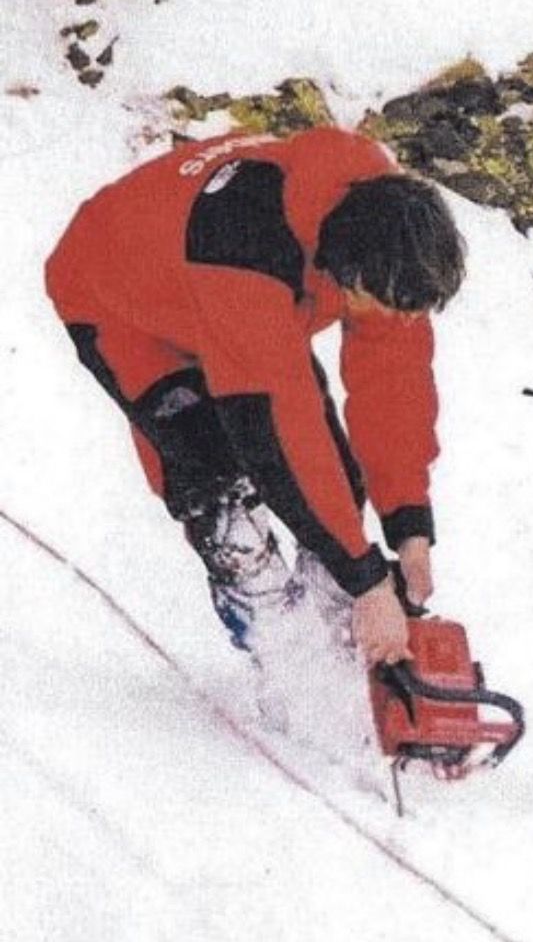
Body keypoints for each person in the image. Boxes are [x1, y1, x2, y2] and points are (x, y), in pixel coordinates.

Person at [45, 126, 465, 669]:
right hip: (124, 303)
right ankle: (284, 657)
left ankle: (343, 625)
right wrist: (364, 577)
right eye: (387, 308)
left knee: (340, 481)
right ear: (346, 272)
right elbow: (279, 431)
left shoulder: (392, 248)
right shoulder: (245, 245)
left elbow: (394, 392)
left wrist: (408, 525)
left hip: (233, 298)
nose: (400, 321)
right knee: (225, 498)